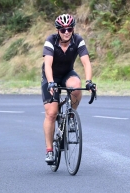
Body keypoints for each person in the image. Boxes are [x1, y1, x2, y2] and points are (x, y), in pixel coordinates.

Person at [41, 14, 96, 163]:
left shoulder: (77, 40)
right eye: (63, 29)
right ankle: (49, 150)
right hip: (51, 76)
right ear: (58, 30)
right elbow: (48, 65)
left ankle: (71, 115)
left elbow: (86, 62)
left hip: (67, 74)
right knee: (51, 114)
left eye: (69, 29)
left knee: (76, 87)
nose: (66, 32)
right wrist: (51, 82)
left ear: (73, 29)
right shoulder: (50, 41)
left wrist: (89, 81)